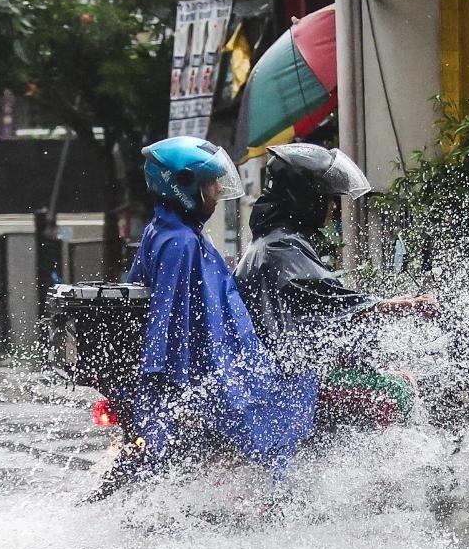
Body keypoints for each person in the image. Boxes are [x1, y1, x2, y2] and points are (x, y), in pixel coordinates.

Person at [91, 137, 315, 500]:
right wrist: (179, 389)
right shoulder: (180, 243)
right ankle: (280, 502)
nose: (217, 190)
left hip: (219, 366)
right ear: (184, 186)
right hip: (215, 374)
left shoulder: (170, 232)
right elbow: (170, 321)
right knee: (294, 396)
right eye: (210, 183)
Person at [234, 143, 435, 428]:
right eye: (327, 198)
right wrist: (406, 305)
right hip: (289, 386)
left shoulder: (277, 240)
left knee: (393, 374)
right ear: (306, 199)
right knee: (395, 392)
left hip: (286, 376)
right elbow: (335, 304)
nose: (333, 207)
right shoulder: (281, 247)